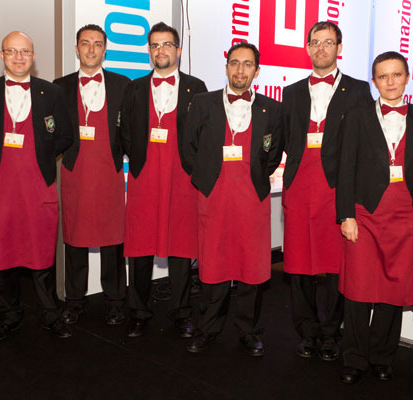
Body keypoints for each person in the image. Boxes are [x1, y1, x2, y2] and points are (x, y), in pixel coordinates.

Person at [0, 31, 73, 341]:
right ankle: (8, 316)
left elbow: (66, 135)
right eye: (12, 51)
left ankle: (51, 314)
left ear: (33, 56)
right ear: (2, 55)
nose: (19, 57)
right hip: (0, 187)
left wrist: (43, 155)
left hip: (39, 186)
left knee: (42, 252)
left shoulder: (51, 93)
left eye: (25, 51)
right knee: (3, 253)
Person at [336, 51, 413, 383]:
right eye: (383, 76)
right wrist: (346, 215)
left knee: (393, 290)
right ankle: (354, 357)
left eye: (396, 74)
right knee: (358, 289)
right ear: (374, 81)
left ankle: (382, 356)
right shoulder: (357, 115)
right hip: (364, 214)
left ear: (407, 78)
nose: (390, 82)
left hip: (406, 217)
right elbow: (345, 168)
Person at [182, 42, 282, 356]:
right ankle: (207, 328)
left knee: (251, 268)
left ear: (257, 70)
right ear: (226, 67)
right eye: (235, 63)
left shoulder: (272, 109)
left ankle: (248, 330)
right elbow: (188, 149)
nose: (240, 70)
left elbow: (273, 154)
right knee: (213, 265)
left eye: (247, 64)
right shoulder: (203, 103)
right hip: (214, 197)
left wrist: (256, 179)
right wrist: (206, 181)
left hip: (253, 199)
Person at [281, 21, 372, 360]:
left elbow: (366, 141)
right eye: (315, 42)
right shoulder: (291, 92)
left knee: (337, 264)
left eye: (328, 42)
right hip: (299, 187)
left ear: (339, 48)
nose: (321, 48)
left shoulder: (359, 90)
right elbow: (284, 138)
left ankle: (332, 332)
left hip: (338, 188)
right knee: (299, 264)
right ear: (307, 48)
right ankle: (306, 331)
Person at [120, 22, 207, 338]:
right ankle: (138, 312)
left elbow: (203, 133)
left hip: (181, 178)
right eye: (155, 45)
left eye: (167, 44)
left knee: (181, 246)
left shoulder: (196, 88)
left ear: (178, 50)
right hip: (144, 177)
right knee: (139, 247)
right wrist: (138, 162)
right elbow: (125, 132)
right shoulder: (134, 88)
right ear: (149, 51)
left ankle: (181, 313)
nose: (161, 50)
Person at [54, 24, 130, 326]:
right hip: (75, 171)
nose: (91, 49)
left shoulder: (123, 85)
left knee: (114, 239)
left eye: (97, 43)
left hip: (110, 171)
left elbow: (131, 129)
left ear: (105, 49)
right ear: (76, 49)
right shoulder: (59, 87)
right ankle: (74, 301)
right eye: (85, 43)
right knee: (75, 238)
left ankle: (115, 301)